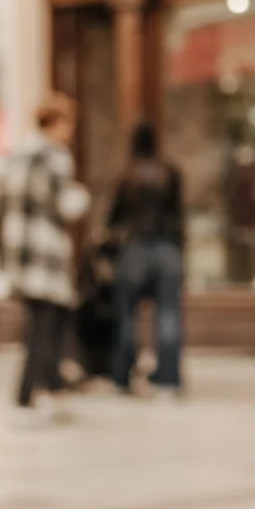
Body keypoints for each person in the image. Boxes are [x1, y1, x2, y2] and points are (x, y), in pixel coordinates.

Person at [0, 93, 91, 427]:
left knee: (36, 326)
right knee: (46, 327)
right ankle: (36, 394)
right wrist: (82, 195)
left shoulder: (19, 154)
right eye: (68, 123)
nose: (70, 131)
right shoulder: (54, 158)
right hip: (45, 252)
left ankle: (40, 391)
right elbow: (67, 205)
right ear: (56, 123)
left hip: (20, 251)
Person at [106, 120, 187, 397]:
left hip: (135, 250)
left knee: (128, 318)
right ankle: (168, 381)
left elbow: (114, 220)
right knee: (168, 317)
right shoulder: (169, 173)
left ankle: (122, 377)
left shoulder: (128, 176)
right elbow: (179, 216)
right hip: (166, 249)